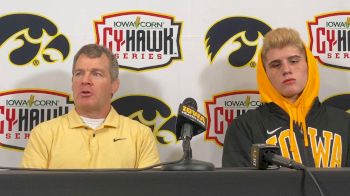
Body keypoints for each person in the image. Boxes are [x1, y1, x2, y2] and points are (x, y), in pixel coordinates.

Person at [222, 28, 350, 168]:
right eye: (276, 65)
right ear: (265, 74)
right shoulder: (245, 127)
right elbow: (238, 187)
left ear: (309, 65)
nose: (286, 70)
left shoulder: (344, 123)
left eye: (294, 61)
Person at [21, 44, 160, 169]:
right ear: (72, 82)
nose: (85, 81)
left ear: (114, 85)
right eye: (79, 73)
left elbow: (149, 190)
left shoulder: (140, 136)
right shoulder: (43, 134)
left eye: (96, 74)